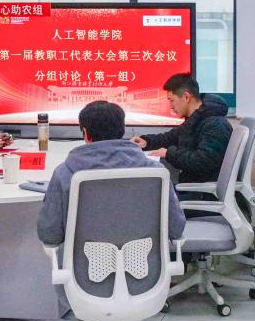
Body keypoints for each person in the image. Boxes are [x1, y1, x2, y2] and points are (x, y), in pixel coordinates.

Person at [38, 100, 186, 248]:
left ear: (85, 133)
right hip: (146, 261)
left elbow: (50, 234)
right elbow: (176, 228)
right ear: (122, 130)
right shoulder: (156, 173)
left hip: (84, 262)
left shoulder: (65, 174)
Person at [132, 74, 231, 185]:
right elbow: (170, 137)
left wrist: (169, 153)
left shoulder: (215, 125)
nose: (171, 106)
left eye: (172, 100)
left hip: (200, 190)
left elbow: (203, 161)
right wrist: (146, 142)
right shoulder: (195, 120)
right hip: (192, 183)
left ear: (186, 97)